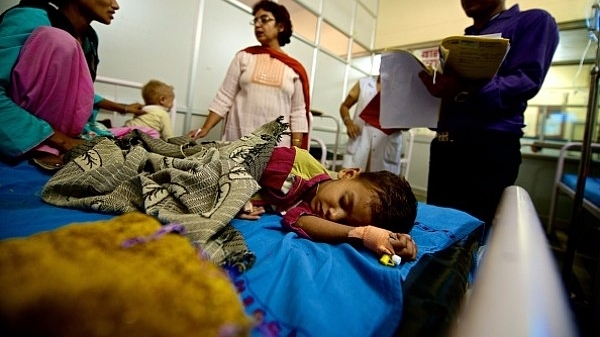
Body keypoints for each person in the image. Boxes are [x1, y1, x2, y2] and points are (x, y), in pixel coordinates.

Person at [417, 0, 559, 231]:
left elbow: (526, 81)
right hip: (444, 146)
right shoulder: (463, 40)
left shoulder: (532, 21)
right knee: (436, 227)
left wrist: (464, 88)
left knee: (470, 235)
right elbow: (452, 99)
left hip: (486, 149)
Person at [0, 0, 146, 168]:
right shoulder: (29, 17)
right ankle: (42, 147)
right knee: (59, 40)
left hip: (71, 130)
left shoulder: (90, 39)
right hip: (30, 130)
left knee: (145, 135)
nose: (116, 5)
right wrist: (63, 142)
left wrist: (124, 108)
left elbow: (78, 92)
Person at [238, 146, 418, 260]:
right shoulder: (295, 164)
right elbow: (234, 164)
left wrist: (377, 237)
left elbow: (298, 219)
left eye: (345, 222)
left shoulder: (311, 204)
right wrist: (236, 197)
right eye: (344, 202)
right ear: (348, 174)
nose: (334, 215)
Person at [188, 0, 310, 149]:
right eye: (255, 21)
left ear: (280, 26)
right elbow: (225, 97)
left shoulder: (294, 69)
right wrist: (205, 128)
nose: (258, 25)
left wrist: (296, 150)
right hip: (237, 142)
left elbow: (298, 113)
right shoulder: (244, 57)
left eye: (264, 19)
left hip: (276, 147)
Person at [339, 74, 404, 175]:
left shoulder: (402, 89)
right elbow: (344, 106)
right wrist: (349, 123)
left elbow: (407, 124)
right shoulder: (364, 83)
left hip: (386, 146)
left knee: (382, 187)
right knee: (351, 183)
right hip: (359, 140)